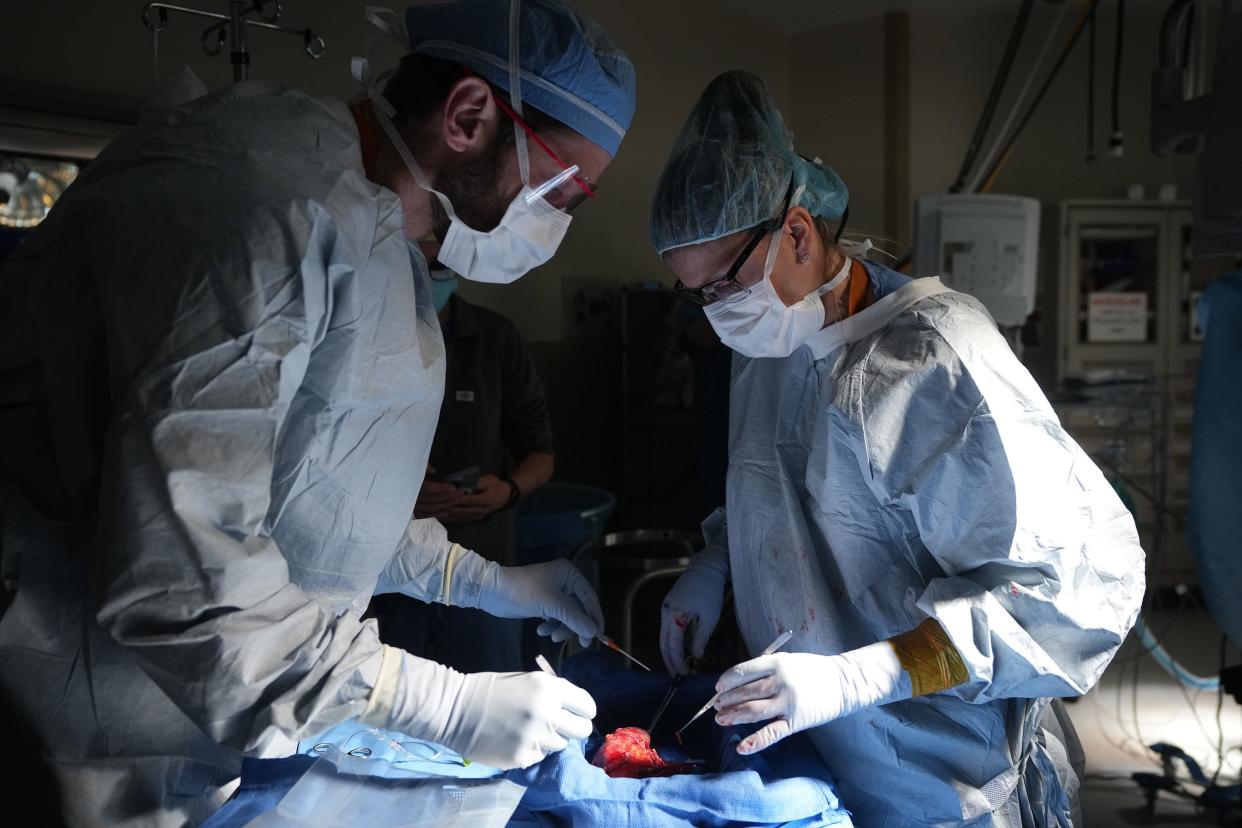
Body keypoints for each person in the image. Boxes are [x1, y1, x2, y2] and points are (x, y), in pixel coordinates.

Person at [0, 1, 635, 825]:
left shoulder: (380, 245)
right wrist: (437, 703)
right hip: (68, 734)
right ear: (470, 115)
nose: (560, 218)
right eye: (564, 187)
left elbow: (317, 493)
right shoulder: (262, 203)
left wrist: (486, 582)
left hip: (184, 732)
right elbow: (183, 570)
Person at [651, 71, 1143, 827]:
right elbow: (773, 489)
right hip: (814, 759)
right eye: (698, 296)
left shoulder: (935, 360)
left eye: (726, 284)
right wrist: (718, 564)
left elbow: (1057, 598)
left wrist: (864, 674)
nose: (718, 312)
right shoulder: (770, 339)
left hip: (941, 778)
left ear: (798, 232)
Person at [369, 271, 556, 673]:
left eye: (442, 256)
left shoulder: (493, 339)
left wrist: (508, 490)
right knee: (383, 718)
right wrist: (395, 489)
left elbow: (541, 454)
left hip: (482, 565)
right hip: (386, 572)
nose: (434, 262)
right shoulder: (370, 338)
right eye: (422, 253)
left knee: (490, 695)